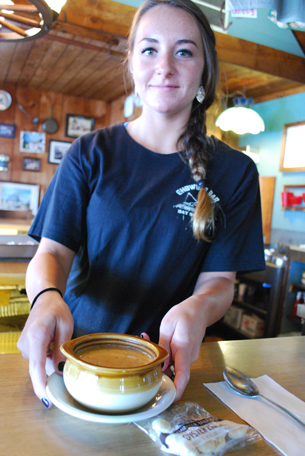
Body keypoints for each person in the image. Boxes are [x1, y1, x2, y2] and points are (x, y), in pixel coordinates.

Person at [17, 0, 265, 408]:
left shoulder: (236, 172)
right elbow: (52, 254)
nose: (165, 66)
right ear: (132, 63)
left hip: (165, 368)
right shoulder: (89, 153)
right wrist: (45, 297)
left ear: (205, 69)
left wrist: (199, 311)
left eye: (184, 51)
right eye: (150, 49)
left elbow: (219, 284)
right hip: (75, 359)